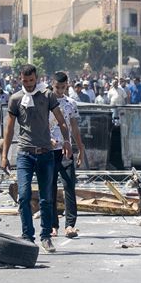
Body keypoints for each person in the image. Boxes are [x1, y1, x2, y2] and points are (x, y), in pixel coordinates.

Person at [0, 64, 71, 253]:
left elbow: (61, 120)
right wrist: (4, 155)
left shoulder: (47, 96)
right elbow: (9, 129)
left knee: (46, 198)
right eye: (25, 81)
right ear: (20, 79)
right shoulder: (15, 99)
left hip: (45, 153)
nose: (28, 84)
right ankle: (27, 236)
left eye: (31, 80)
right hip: (25, 154)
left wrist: (67, 141)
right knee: (23, 196)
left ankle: (45, 236)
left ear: (36, 78)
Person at [49, 72, 86, 239]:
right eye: (57, 87)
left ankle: (70, 224)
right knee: (50, 187)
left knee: (69, 185)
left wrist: (80, 148)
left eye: (63, 87)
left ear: (67, 86)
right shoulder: (46, 102)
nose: (59, 90)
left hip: (66, 150)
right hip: (49, 149)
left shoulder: (70, 103)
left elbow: (74, 127)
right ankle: (53, 225)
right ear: (52, 85)